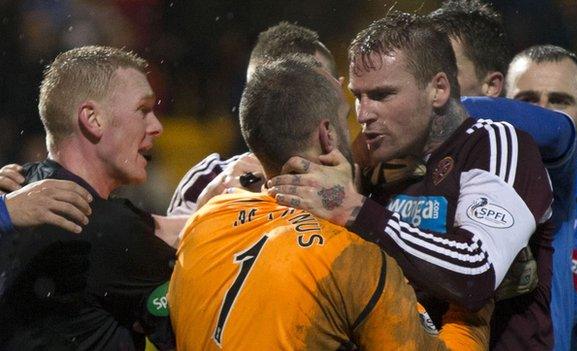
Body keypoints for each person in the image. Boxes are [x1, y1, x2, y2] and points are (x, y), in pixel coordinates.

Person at [268, 12, 554, 349]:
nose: (364, 113)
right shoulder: (368, 159)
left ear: (438, 89)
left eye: (382, 95)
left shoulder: (494, 144)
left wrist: (358, 211)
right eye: (358, 96)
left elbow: (476, 273)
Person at [168, 54, 493, 350]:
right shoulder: (353, 256)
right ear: (327, 134)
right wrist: (473, 313)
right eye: (345, 117)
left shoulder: (205, 220)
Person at [0, 46, 180, 350]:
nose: (156, 126)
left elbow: (163, 227)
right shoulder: (101, 227)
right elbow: (202, 334)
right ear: (93, 119)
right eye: (143, 109)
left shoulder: (15, 189)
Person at [429, 2, 577, 349]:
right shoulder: (423, 157)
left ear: (492, 85)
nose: (427, 80)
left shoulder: (537, 150)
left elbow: (559, 129)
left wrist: (425, 108)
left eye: (441, 67)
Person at [506, 44, 577, 351]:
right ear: (501, 108)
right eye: (527, 101)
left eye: (559, 102)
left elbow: (547, 322)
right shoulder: (472, 196)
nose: (543, 117)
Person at [167, 21, 338, 216]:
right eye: (264, 94)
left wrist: (357, 211)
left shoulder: (369, 175)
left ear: (339, 93)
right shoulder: (211, 178)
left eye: (307, 92)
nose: (285, 108)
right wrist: (206, 209)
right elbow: (177, 245)